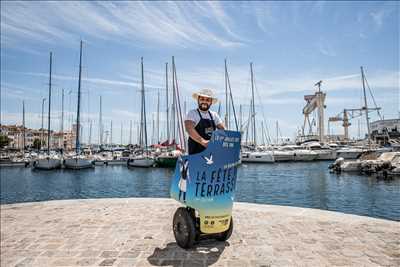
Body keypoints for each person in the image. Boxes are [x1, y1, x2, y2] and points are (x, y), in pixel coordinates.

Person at [185, 89, 224, 155]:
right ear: (198, 100)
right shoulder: (192, 113)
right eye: (202, 99)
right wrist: (203, 142)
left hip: (212, 153)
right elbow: (189, 128)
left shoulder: (214, 115)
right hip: (196, 154)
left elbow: (223, 129)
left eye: (207, 100)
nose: (204, 102)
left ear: (211, 102)